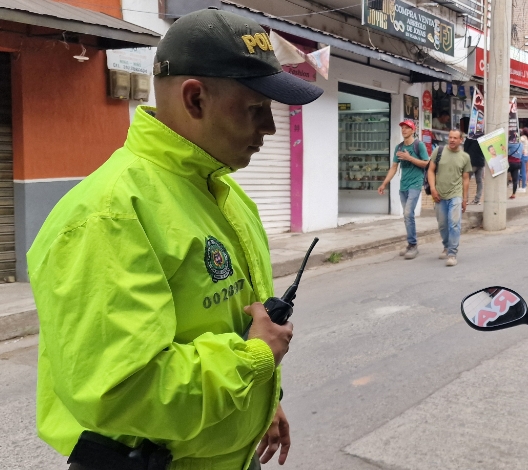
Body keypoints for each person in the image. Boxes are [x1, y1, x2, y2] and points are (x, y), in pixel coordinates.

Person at [26, 9, 323, 470]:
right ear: (195, 99)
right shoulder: (107, 215)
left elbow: (232, 323)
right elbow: (122, 390)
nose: (270, 128)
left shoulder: (224, 194)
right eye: (255, 108)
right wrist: (254, 361)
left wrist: (262, 404)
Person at [379, 119, 429, 259]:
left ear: (413, 130)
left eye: (407, 128)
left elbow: (426, 164)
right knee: (407, 216)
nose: (404, 130)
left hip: (415, 184)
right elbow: (394, 167)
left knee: (408, 213)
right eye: (402, 128)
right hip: (403, 186)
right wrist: (384, 184)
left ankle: (413, 245)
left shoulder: (419, 145)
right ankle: (410, 244)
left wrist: (410, 158)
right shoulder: (399, 148)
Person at [427, 129, 472, 267]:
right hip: (439, 194)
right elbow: (430, 170)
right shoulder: (439, 151)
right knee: (442, 224)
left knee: (454, 223)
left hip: (456, 194)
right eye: (450, 137)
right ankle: (446, 246)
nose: (452, 140)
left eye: (455, 138)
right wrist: (433, 189)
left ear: (460, 140)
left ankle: (452, 253)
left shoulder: (465, 157)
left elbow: (465, 179)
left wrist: (464, 199)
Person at [460, 117, 486, 205]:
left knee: (466, 179)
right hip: (481, 162)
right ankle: (477, 199)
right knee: (479, 181)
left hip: (471, 162)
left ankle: (465, 199)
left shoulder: (470, 137)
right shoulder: (483, 137)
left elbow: (465, 150)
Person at [507, 131, 523, 199]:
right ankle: (513, 194)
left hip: (510, 163)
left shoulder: (510, 144)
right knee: (515, 179)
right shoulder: (521, 144)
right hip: (518, 164)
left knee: (502, 176)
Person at [519, 128, 528, 192]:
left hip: (522, 155)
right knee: (523, 171)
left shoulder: (522, 138)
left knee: (522, 171)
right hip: (526, 155)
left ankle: (523, 187)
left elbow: (518, 144)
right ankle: (523, 186)